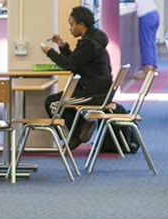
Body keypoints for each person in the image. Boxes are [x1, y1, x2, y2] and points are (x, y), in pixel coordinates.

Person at [39, 6, 113, 147]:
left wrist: (49, 52)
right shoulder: (93, 39)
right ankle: (81, 126)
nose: (70, 28)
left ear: (81, 25)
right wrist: (62, 45)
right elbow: (75, 61)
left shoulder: (88, 44)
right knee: (59, 101)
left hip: (94, 93)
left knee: (53, 103)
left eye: (72, 25)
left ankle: (72, 137)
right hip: (98, 89)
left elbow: (70, 65)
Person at [136, 0, 160, 79]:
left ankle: (147, 71)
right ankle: (152, 68)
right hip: (154, 12)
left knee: (146, 43)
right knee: (151, 43)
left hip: (145, 15)